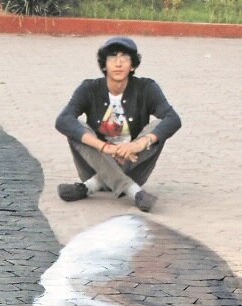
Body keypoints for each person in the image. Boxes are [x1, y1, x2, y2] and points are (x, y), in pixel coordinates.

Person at [55, 36, 182, 213]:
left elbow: (173, 119)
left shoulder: (146, 88)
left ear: (133, 66)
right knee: (76, 127)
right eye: (112, 57)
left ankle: (89, 187)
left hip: (133, 167)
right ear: (104, 65)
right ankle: (134, 192)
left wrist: (138, 144)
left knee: (158, 128)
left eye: (125, 57)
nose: (118, 63)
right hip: (93, 165)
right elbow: (63, 120)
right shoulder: (89, 88)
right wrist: (104, 147)